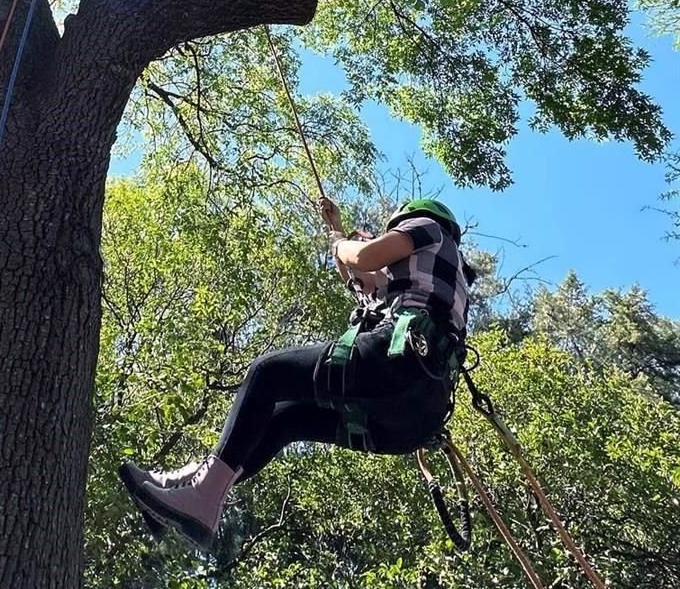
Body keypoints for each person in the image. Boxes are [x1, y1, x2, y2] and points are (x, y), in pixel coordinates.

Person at [119, 198, 476, 549]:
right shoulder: (438, 280)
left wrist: (342, 244)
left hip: (396, 362)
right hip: (411, 418)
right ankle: (190, 487)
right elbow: (362, 283)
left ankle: (203, 496)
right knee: (288, 419)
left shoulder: (428, 227)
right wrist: (335, 230)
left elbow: (364, 258)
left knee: (268, 373)